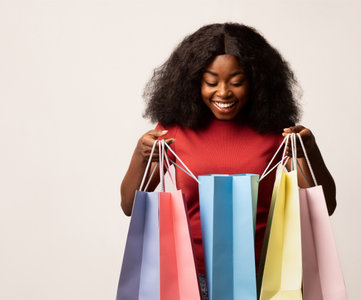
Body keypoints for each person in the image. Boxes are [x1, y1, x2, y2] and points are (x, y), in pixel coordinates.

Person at [120, 22, 336, 298]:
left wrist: (311, 150)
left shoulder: (279, 131)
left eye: (236, 82)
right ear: (194, 81)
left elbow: (325, 206)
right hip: (191, 280)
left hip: (266, 280)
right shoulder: (173, 131)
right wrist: (140, 156)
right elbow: (129, 205)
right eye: (211, 82)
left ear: (256, 80)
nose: (223, 93)